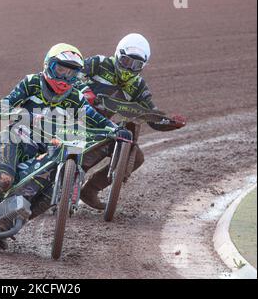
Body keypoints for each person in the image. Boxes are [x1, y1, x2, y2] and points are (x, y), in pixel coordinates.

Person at [0, 43, 131, 240]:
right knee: (4, 179)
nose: (64, 77)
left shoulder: (75, 97)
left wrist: (115, 130)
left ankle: (1, 226)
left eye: (71, 74)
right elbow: (0, 107)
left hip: (44, 149)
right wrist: (20, 113)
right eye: (60, 70)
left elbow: (94, 117)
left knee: (46, 195)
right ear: (48, 65)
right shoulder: (32, 82)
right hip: (15, 138)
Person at [77, 33, 187, 209]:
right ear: (118, 55)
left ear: (142, 66)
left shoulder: (138, 86)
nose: (129, 69)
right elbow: (71, 74)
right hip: (75, 117)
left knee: (135, 157)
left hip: (102, 127)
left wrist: (169, 123)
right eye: (126, 62)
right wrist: (84, 90)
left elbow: (150, 114)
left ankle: (90, 190)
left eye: (136, 65)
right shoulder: (99, 63)